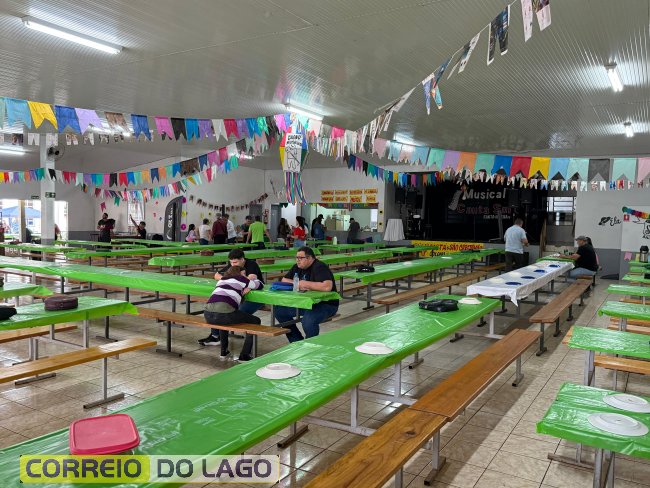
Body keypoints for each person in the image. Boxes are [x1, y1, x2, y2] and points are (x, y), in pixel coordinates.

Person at [198, 249, 264, 345]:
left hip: (256, 296)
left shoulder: (251, 264)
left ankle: (227, 340)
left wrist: (231, 280)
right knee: (221, 310)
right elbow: (216, 275)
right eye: (231, 262)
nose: (233, 264)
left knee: (237, 312)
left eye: (235, 262)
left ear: (242, 259)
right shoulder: (233, 265)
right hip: (242, 294)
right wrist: (230, 280)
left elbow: (252, 277)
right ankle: (215, 336)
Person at [274, 246, 339, 342]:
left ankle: (310, 345)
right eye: (296, 258)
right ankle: (296, 341)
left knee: (308, 321)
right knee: (279, 311)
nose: (297, 260)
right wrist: (298, 284)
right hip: (306, 303)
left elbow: (327, 287)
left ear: (309, 258)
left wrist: (305, 284)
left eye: (300, 258)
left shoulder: (319, 267)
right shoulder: (297, 267)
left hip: (325, 304)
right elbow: (284, 279)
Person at [201, 266, 263, 361]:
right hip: (224, 315)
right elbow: (260, 285)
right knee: (256, 321)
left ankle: (224, 351)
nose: (245, 276)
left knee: (222, 321)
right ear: (239, 273)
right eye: (244, 273)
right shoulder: (241, 279)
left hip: (207, 315)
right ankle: (245, 355)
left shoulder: (222, 280)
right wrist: (253, 279)